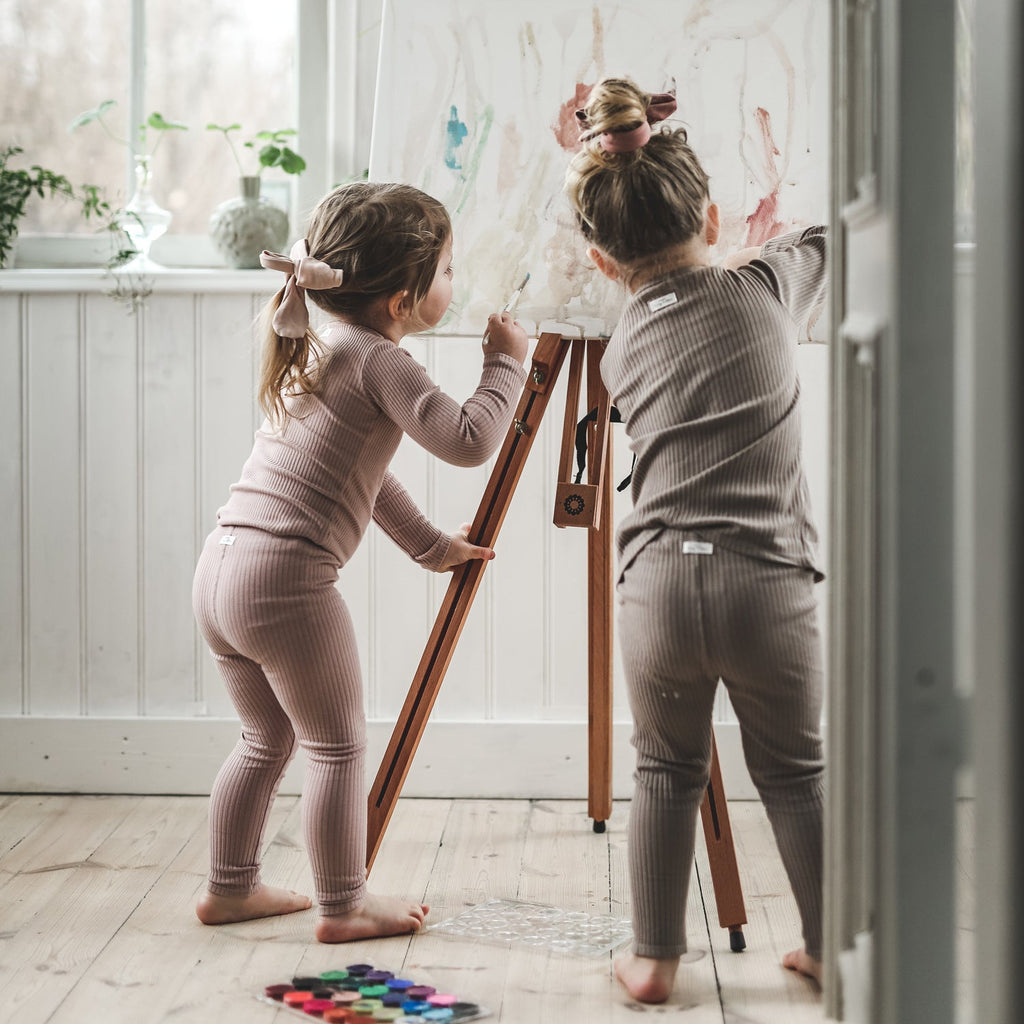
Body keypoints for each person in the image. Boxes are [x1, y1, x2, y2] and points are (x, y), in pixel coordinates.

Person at [191, 181, 529, 943]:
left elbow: (361, 479)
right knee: (337, 747)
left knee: (263, 741)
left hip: (222, 570)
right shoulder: (381, 360)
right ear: (402, 299)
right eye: (447, 270)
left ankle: (229, 889)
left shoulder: (317, 340)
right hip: (285, 584)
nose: (455, 282)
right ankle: (343, 907)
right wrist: (506, 365)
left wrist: (430, 546)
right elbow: (469, 440)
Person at [564, 78, 827, 1003]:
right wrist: (762, 243)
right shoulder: (762, 286)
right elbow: (827, 240)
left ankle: (654, 960)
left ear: (600, 264)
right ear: (713, 214)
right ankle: (829, 945)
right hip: (768, 583)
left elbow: (666, 289)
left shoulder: (618, 346)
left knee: (665, 768)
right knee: (795, 771)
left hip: (662, 585)